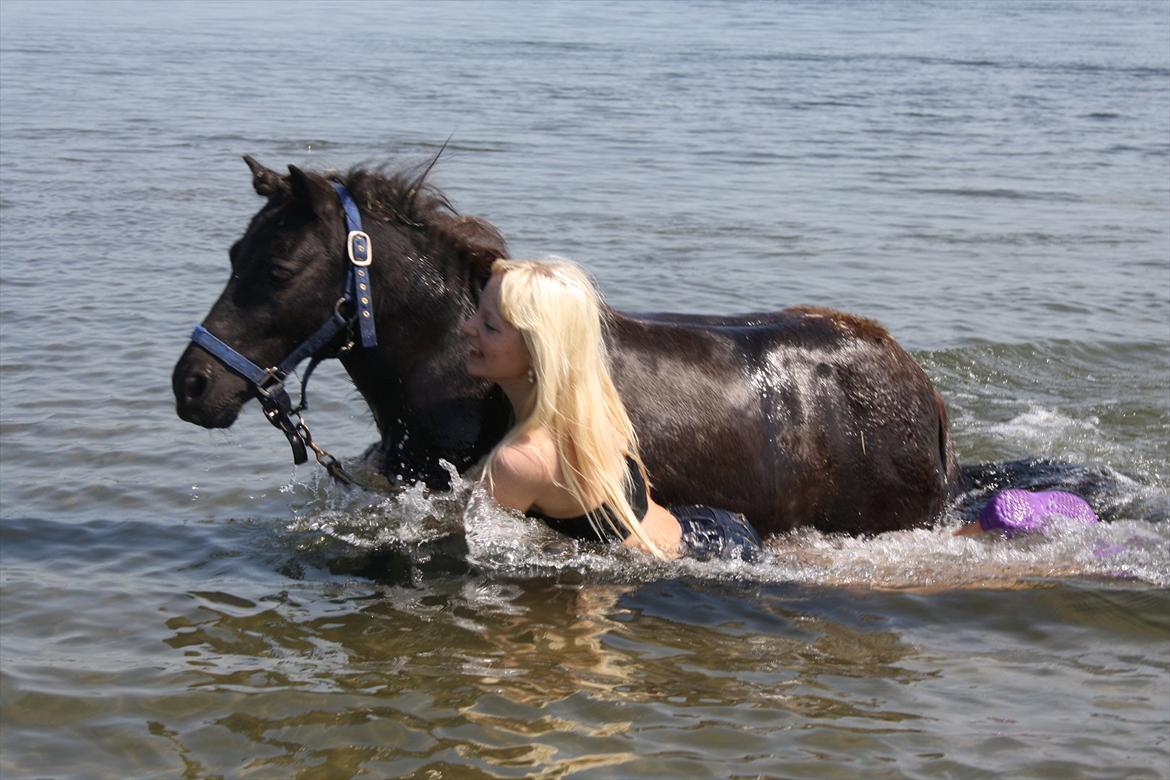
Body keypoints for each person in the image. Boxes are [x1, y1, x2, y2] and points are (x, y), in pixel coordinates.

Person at [462, 257, 763, 561]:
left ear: (538, 349)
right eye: (477, 314)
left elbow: (475, 549)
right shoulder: (596, 403)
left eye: (489, 325)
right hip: (713, 527)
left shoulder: (520, 461)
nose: (467, 327)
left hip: (700, 563)